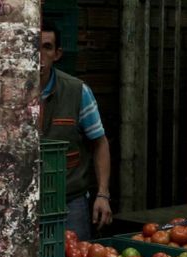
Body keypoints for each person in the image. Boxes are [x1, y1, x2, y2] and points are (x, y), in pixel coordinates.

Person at [40, 20, 112, 240]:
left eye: (46, 47)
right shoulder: (5, 93)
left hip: (70, 200)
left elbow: (99, 142)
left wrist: (102, 194)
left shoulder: (77, 92)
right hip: (21, 202)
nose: (38, 54)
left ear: (57, 54)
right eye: (31, 46)